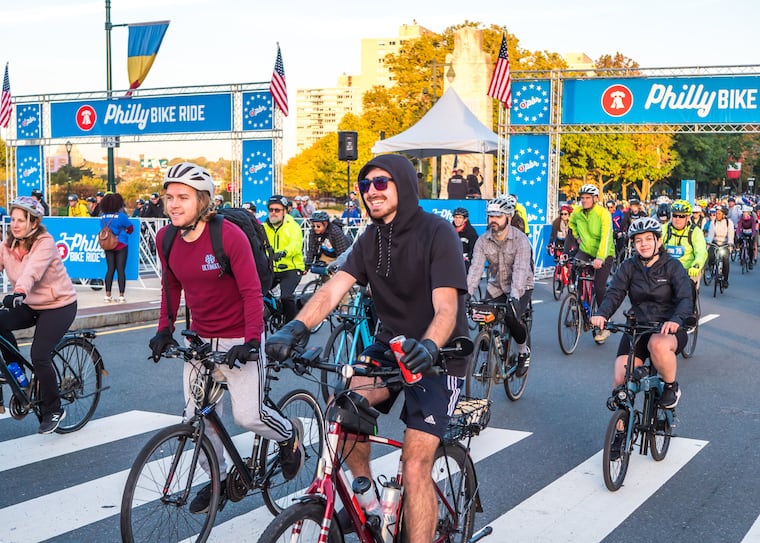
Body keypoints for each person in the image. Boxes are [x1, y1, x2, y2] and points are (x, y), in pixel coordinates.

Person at [265, 154, 469, 543]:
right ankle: (368, 498)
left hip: (439, 355)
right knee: (347, 415)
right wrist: (294, 328)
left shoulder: (437, 232)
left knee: (415, 464)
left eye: (381, 183)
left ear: (404, 185)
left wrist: (428, 346)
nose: (371, 191)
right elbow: (331, 290)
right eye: (365, 185)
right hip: (389, 346)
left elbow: (446, 308)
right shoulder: (369, 238)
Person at [148, 162, 304, 514]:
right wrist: (164, 329)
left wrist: (251, 341)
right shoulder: (166, 237)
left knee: (249, 416)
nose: (172, 204)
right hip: (199, 342)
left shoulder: (227, 235)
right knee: (196, 419)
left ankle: (289, 436)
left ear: (203, 201)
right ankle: (217, 481)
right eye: (169, 196)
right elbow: (171, 286)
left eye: (182, 197)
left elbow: (251, 292)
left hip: (239, 339)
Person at [591, 217, 691, 434]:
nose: (643, 244)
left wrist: (675, 320)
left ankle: (671, 387)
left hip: (668, 329)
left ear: (658, 241)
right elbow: (615, 293)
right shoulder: (629, 266)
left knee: (657, 344)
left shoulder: (673, 266)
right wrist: (602, 314)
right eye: (638, 241)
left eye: (648, 239)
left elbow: (685, 299)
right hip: (638, 329)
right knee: (620, 381)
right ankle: (619, 433)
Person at [0, 197, 77, 434]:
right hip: (30, 304)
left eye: (21, 220)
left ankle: (54, 408)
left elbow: (32, 271)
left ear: (34, 223)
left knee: (39, 354)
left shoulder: (44, 243)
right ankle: (17, 374)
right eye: (13, 219)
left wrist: (19, 291)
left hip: (59, 305)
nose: (15, 224)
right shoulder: (7, 245)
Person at [466, 196, 533, 376]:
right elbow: (475, 269)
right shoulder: (482, 241)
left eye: (498, 216)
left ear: (509, 218)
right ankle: (490, 358)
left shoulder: (521, 240)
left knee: (511, 318)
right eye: (490, 216)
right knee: (482, 316)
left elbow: (520, 270)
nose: (492, 220)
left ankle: (522, 352)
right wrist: (466, 293)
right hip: (496, 286)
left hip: (521, 286)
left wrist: (514, 297)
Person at [567, 183, 615, 343]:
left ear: (595, 199)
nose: (584, 201)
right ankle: (579, 303)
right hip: (586, 249)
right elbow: (571, 224)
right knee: (574, 268)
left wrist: (600, 258)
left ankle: (603, 324)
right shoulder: (577, 212)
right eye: (582, 198)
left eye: (588, 198)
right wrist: (578, 238)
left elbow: (605, 238)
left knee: (599, 286)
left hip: (604, 252)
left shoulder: (603, 214)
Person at [263, 195, 305, 322]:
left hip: (292, 268)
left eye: (277, 210)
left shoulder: (293, 226)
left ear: (285, 211)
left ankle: (290, 328)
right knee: (256, 292)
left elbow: (295, 245)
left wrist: (283, 253)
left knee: (286, 297)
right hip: (273, 268)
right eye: (271, 210)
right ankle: (274, 312)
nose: (273, 213)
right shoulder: (264, 227)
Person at [662, 200, 708, 311]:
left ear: (688, 218)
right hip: (667, 270)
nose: (677, 219)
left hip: (688, 270)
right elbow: (655, 246)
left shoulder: (695, 231)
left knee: (689, 290)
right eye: (675, 215)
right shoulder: (664, 229)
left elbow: (701, 252)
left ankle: (690, 314)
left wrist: (696, 266)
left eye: (681, 216)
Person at [99, 193, 134, 303]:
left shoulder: (102, 217)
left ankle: (107, 295)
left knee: (110, 269)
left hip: (108, 245)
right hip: (121, 244)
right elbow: (131, 228)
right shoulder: (121, 216)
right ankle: (121, 295)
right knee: (120, 270)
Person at [705, 205, 735, 286]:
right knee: (710, 256)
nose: (716, 215)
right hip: (715, 243)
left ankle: (725, 279)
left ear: (724, 215)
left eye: (719, 214)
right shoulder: (713, 222)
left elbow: (731, 235)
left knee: (725, 261)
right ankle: (711, 270)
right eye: (716, 213)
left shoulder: (729, 223)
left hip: (725, 244)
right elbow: (710, 235)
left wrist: (730, 244)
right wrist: (708, 243)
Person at [452, 207, 478, 272]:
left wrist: (467, 257)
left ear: (465, 219)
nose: (457, 220)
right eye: (456, 217)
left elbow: (475, 250)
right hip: (450, 261)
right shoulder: (449, 229)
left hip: (465, 263)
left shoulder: (471, 232)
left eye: (460, 217)